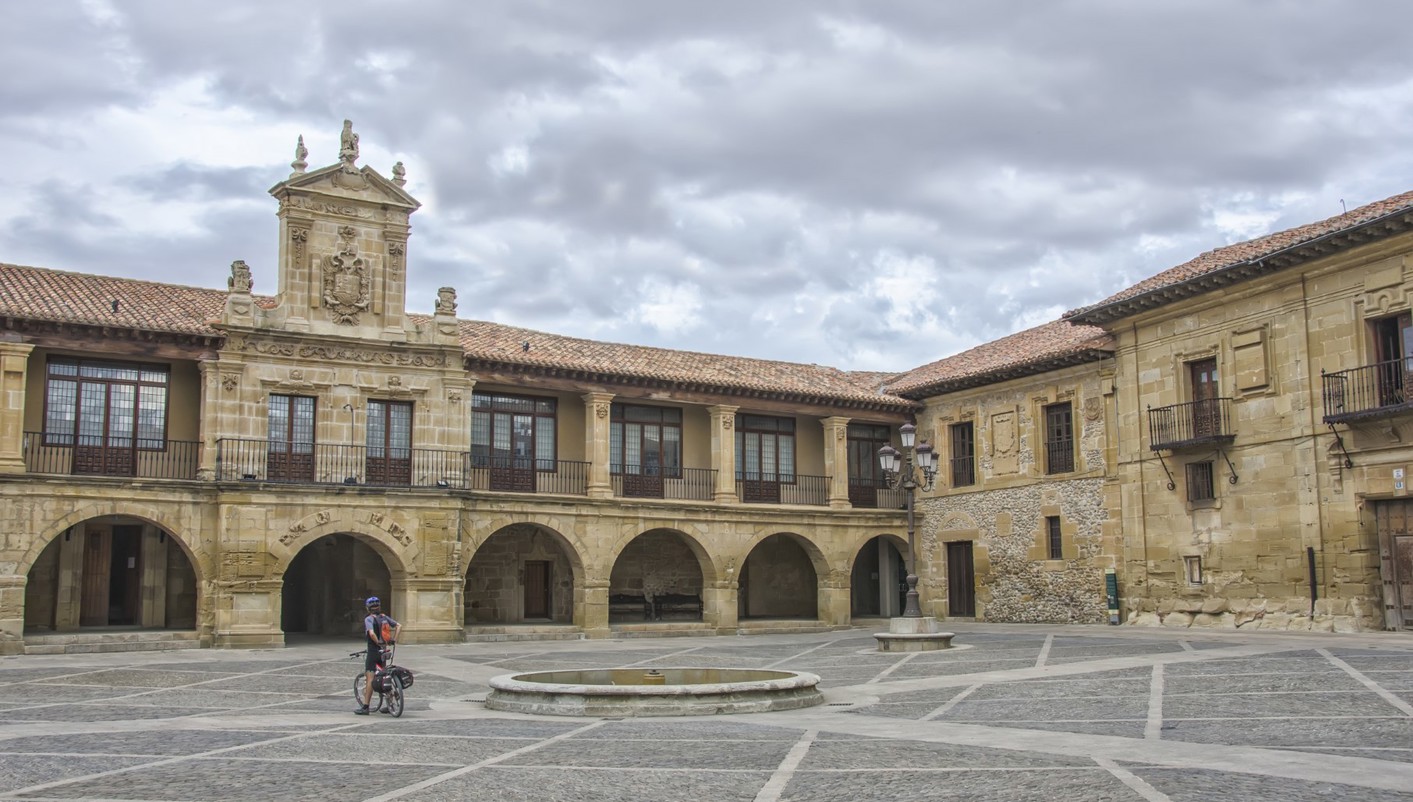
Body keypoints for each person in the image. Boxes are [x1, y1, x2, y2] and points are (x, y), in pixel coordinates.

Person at [355, 596, 400, 715]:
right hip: (384, 651)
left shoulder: (369, 619)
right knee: (384, 675)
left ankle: (365, 707)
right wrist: (393, 639)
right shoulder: (384, 617)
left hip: (373, 651)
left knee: (370, 678)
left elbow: (371, 633)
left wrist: (377, 642)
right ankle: (389, 704)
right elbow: (399, 626)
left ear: (368, 608)